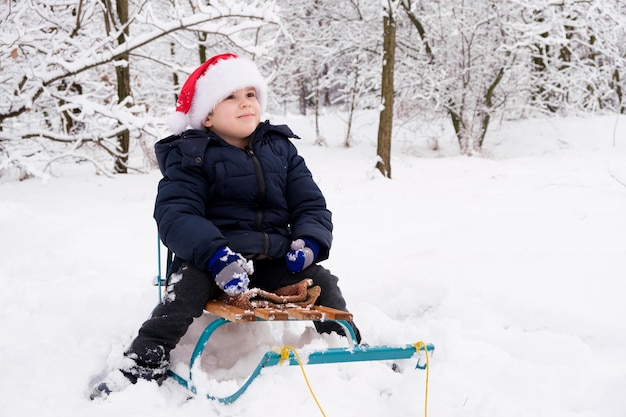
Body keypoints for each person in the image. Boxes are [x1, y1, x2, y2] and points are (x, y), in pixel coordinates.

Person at [90, 53, 361, 399]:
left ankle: (344, 346)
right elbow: (177, 214)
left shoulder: (280, 150)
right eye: (230, 97)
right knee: (182, 293)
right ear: (207, 115)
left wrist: (308, 242)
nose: (245, 103)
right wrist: (216, 255)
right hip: (212, 259)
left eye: (250, 94)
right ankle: (144, 361)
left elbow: (310, 204)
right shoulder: (191, 156)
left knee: (322, 284)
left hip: (274, 260)